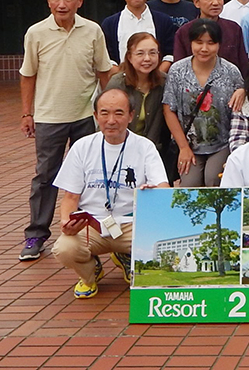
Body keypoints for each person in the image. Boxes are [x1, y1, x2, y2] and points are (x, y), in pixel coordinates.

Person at [18, 0, 112, 261]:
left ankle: (88, 234)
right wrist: (27, 113)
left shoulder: (93, 30)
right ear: (48, 1)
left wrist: (107, 110)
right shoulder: (36, 33)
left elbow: (104, 72)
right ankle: (36, 234)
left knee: (88, 177)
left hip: (86, 116)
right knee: (45, 176)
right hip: (49, 116)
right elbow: (28, 74)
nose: (62, 3)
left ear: (79, 1)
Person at [51, 88, 169, 298]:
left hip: (133, 224)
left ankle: (125, 255)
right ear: (96, 116)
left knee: (165, 248)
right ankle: (90, 275)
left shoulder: (145, 147)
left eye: (119, 113)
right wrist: (65, 222)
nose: (111, 120)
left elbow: (163, 188)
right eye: (104, 113)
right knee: (64, 248)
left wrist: (154, 192)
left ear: (131, 116)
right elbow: (70, 198)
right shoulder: (82, 147)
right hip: (92, 226)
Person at [163, 19, 243, 186]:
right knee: (189, 185)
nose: (204, 48)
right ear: (190, 43)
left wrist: (244, 90)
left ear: (219, 44)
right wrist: (183, 147)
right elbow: (169, 108)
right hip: (190, 144)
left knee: (214, 179)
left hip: (222, 143)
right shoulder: (177, 71)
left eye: (211, 43)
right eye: (199, 42)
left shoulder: (231, 71)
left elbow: (242, 104)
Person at [107, 32, 174, 181]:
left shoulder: (165, 82)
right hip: (122, 150)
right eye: (140, 53)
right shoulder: (117, 83)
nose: (147, 59)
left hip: (155, 152)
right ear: (129, 57)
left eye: (152, 53)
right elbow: (106, 121)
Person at [100, 0, 175, 66]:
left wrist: (158, 76)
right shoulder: (110, 23)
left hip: (157, 80)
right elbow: (108, 58)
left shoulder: (163, 21)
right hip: (122, 79)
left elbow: (169, 55)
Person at [173, 0, 248, 75]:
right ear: (196, 2)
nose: (216, 3)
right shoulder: (184, 32)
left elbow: (243, 66)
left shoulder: (233, 29)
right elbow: (179, 70)